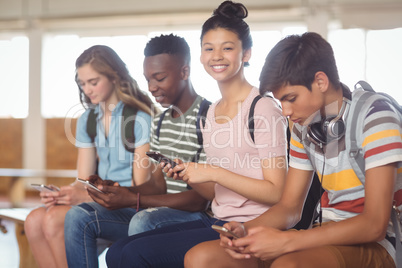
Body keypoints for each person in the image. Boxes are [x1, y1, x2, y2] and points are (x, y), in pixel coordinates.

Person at [184, 32, 402, 268]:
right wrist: (247, 230)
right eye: (281, 101)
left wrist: (289, 241)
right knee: (200, 258)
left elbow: (375, 224)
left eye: (291, 98)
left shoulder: (376, 115)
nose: (286, 111)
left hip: (379, 243)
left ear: (320, 82)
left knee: (288, 265)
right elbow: (289, 208)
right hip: (322, 235)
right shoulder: (304, 125)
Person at [105, 1, 288, 267]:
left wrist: (212, 172)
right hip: (217, 220)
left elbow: (276, 192)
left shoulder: (263, 108)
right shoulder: (212, 113)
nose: (217, 56)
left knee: (135, 254)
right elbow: (216, 192)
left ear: (246, 54)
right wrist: (189, 173)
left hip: (252, 225)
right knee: (117, 252)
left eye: (228, 48)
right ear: (201, 55)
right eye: (209, 48)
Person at [63, 34, 213, 268]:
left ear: (185, 72)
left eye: (160, 78)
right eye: (147, 79)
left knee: (143, 220)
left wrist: (134, 198)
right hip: (157, 207)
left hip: (192, 214)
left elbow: (201, 201)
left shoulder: (207, 118)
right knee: (77, 217)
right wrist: (118, 192)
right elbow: (157, 184)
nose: (152, 88)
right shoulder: (160, 122)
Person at [24, 45, 153, 268]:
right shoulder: (88, 120)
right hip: (98, 200)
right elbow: (83, 180)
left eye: (93, 82)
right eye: (82, 84)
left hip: (130, 205)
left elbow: (139, 190)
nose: (87, 90)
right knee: (34, 220)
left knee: (54, 220)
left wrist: (84, 197)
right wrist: (64, 194)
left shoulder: (139, 118)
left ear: (114, 76)